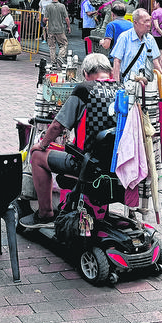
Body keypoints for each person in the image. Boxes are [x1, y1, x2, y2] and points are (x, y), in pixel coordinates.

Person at [20, 53, 119, 229]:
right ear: (110, 73)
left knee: (36, 157)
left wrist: (41, 144)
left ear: (86, 73)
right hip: (115, 163)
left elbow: (58, 126)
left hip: (86, 163)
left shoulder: (84, 89)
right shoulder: (122, 89)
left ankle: (45, 214)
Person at [111, 8, 162, 86]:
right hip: (128, 84)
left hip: (146, 85)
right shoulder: (124, 37)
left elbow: (155, 61)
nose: (149, 24)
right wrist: (117, 83)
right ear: (135, 23)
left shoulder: (150, 39)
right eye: (145, 21)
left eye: (149, 21)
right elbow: (117, 61)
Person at [43, 0, 71, 69]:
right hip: (60, 29)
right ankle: (60, 56)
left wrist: (46, 22)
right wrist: (68, 27)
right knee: (64, 44)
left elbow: (45, 19)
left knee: (52, 46)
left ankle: (53, 63)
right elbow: (66, 18)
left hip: (51, 29)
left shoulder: (48, 6)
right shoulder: (62, 6)